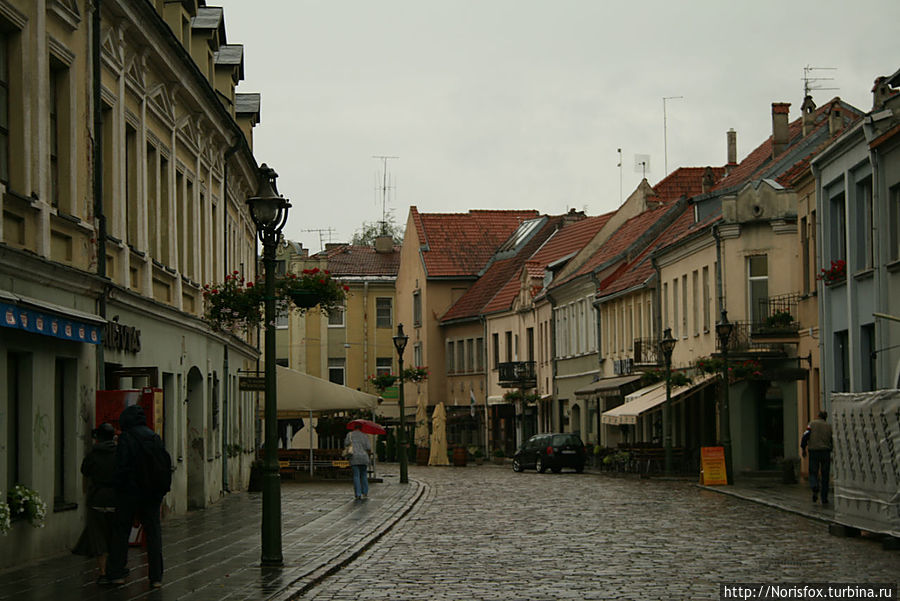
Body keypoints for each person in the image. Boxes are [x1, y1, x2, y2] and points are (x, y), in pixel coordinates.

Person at [104, 405, 165, 588]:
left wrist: (117, 486)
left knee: (121, 532)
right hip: (152, 493)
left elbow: (121, 466)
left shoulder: (127, 438)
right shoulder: (154, 437)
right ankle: (156, 577)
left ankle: (117, 573)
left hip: (129, 493)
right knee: (153, 534)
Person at [73, 423, 118, 582]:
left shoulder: (93, 454)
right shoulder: (119, 453)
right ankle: (116, 570)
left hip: (97, 498)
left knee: (98, 537)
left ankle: (103, 572)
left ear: (97, 438)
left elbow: (85, 471)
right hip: (115, 499)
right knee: (115, 535)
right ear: (113, 436)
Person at [801, 411, 834, 505]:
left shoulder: (812, 424)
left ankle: (814, 486)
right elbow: (832, 439)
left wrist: (803, 448)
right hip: (825, 451)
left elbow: (805, 436)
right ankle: (824, 498)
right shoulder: (829, 426)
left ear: (818, 416)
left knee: (813, 472)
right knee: (825, 475)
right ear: (826, 417)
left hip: (814, 451)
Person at [345, 423, 372, 500]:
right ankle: (365, 492)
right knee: (364, 474)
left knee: (356, 475)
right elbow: (368, 447)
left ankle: (358, 493)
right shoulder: (365, 435)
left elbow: (346, 444)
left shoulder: (349, 435)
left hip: (354, 456)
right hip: (364, 457)